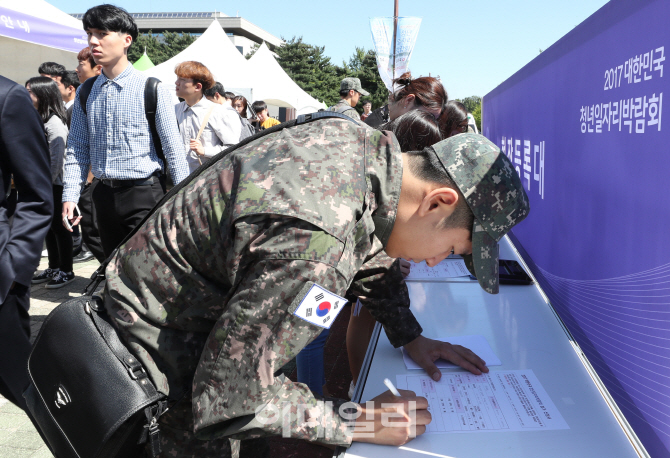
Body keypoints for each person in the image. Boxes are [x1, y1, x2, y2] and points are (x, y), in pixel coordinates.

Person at [100, 114, 529, 455]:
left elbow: (369, 247)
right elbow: (230, 402)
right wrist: (358, 420)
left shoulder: (361, 150)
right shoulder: (317, 248)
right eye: (453, 248)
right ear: (437, 202)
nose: (436, 263)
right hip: (150, 378)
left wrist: (409, 335)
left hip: (162, 317)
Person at [62, 4, 189, 258]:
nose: (93, 41)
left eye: (102, 33)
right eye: (89, 34)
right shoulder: (86, 92)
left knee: (148, 269)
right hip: (102, 196)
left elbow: (173, 149)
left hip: (143, 194)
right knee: (113, 268)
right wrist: (70, 195)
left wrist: (185, 201)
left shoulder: (152, 88)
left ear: (126, 40)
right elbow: (77, 147)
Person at [0, 75, 53, 411]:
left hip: (1, 280)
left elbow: (37, 194)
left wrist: (14, 270)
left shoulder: (8, 97)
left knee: (31, 394)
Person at [26, 77, 75, 289]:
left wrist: (44, 183)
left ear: (43, 95)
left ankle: (66, 270)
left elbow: (57, 160)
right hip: (45, 183)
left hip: (55, 185)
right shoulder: (41, 119)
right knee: (50, 228)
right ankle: (54, 266)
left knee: (60, 228)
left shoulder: (54, 122)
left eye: (30, 92)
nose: (26, 95)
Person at [174, 61, 242, 173]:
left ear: (198, 86)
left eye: (183, 79)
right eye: (177, 78)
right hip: (177, 180)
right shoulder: (174, 110)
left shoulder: (219, 112)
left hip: (206, 180)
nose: (176, 83)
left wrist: (204, 151)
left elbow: (233, 148)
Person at [364, 72, 447, 128]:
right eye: (427, 117)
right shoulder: (373, 128)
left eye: (434, 120)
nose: (428, 125)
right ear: (409, 100)